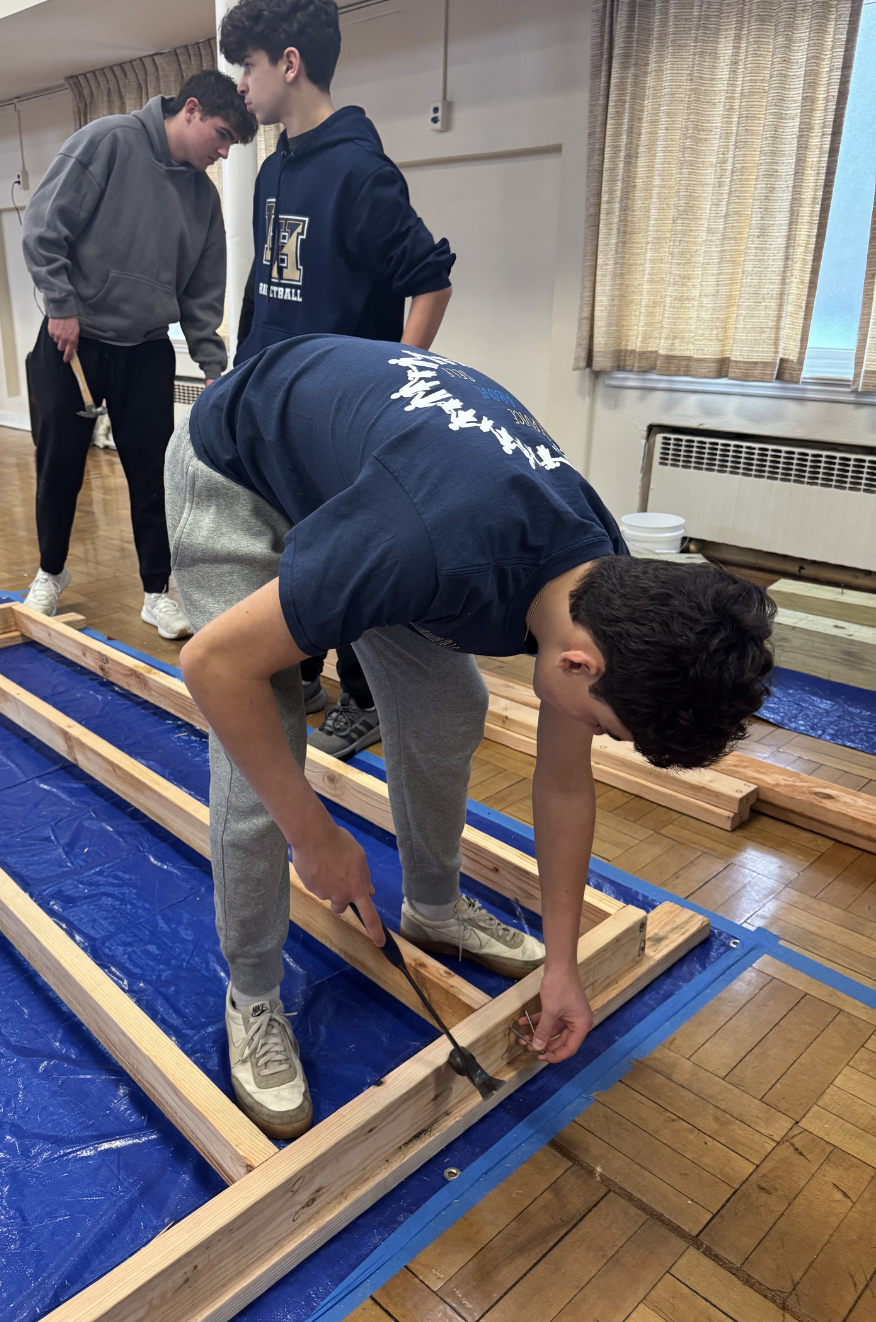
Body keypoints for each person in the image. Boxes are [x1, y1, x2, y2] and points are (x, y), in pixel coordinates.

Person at [167, 334, 775, 1139]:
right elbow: (210, 666)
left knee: (451, 704)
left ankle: (434, 906)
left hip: (375, 491)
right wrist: (313, 837)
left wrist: (564, 965)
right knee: (260, 764)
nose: (588, 735)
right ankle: (251, 994)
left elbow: (564, 784)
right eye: (600, 723)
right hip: (240, 462)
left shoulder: (606, 584)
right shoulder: (423, 543)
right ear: (577, 662)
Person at [219, 0, 456, 757]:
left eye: (249, 66)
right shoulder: (271, 171)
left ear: (290, 64)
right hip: (275, 403)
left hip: (341, 413)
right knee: (289, 547)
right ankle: (301, 674)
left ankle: (366, 696)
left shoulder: (360, 170)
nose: (241, 84)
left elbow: (430, 279)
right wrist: (241, 374)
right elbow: (266, 284)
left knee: (347, 556)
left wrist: (396, 381)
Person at [21, 71, 256, 637]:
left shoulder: (203, 199)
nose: (224, 153)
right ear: (191, 110)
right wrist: (61, 306)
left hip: (146, 349)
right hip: (73, 340)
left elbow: (202, 293)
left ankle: (156, 592)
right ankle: (50, 572)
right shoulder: (108, 141)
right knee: (59, 466)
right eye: (222, 136)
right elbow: (43, 229)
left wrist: (213, 368)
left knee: (153, 475)